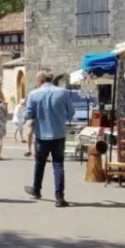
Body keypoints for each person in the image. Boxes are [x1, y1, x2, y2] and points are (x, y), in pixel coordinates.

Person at [24, 71, 75, 207]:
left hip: (42, 134)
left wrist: (35, 115)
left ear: (40, 80)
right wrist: (61, 116)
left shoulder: (34, 94)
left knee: (40, 163)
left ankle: (36, 189)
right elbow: (71, 112)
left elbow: (28, 114)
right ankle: (59, 197)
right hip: (59, 133)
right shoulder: (63, 92)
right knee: (58, 164)